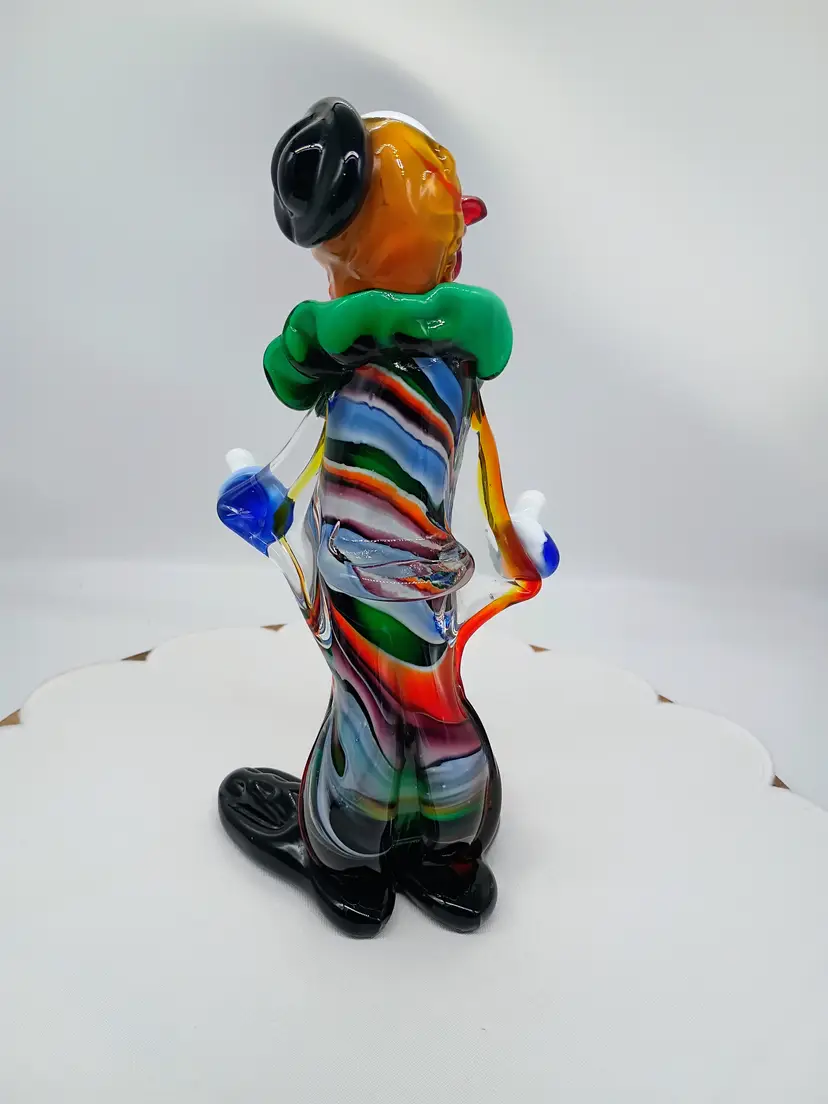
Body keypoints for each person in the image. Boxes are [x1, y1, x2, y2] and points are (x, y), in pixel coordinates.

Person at [217, 99, 558, 936]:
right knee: (408, 710)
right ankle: (412, 852)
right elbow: (307, 411)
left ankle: (371, 853)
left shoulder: (413, 351)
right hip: (385, 573)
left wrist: (507, 540)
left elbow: (317, 380)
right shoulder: (416, 356)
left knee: (393, 710)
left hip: (400, 573)